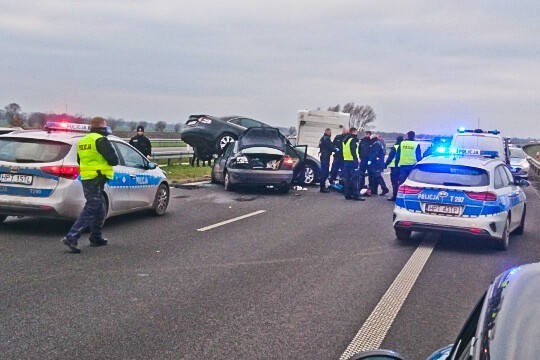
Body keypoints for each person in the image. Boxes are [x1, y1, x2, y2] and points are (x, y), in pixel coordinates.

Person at [61, 117, 119, 253]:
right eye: (105, 126)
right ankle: (72, 236)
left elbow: (79, 160)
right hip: (97, 177)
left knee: (100, 208)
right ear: (102, 128)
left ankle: (96, 237)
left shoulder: (83, 141)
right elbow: (113, 160)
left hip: (87, 177)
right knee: (93, 206)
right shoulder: (100, 140)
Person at [342, 128, 365, 201]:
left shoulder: (345, 140)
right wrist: (356, 159)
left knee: (347, 179)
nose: (357, 133)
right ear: (354, 132)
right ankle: (356, 195)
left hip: (346, 161)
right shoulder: (353, 140)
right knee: (355, 179)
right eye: (356, 132)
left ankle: (347, 194)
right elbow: (353, 150)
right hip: (352, 161)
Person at [385, 135, 403, 201]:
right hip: (402, 166)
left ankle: (395, 196)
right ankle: (400, 195)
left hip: (394, 166)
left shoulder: (395, 146)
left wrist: (386, 164)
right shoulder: (403, 146)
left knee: (394, 182)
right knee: (400, 181)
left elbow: (391, 156)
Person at [318, 128, 334, 192]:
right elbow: (331, 147)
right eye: (330, 132)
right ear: (328, 132)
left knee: (323, 171)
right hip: (325, 156)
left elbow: (320, 146)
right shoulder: (327, 139)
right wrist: (336, 149)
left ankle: (322, 186)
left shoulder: (322, 138)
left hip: (323, 155)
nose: (331, 133)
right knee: (325, 172)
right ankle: (322, 187)